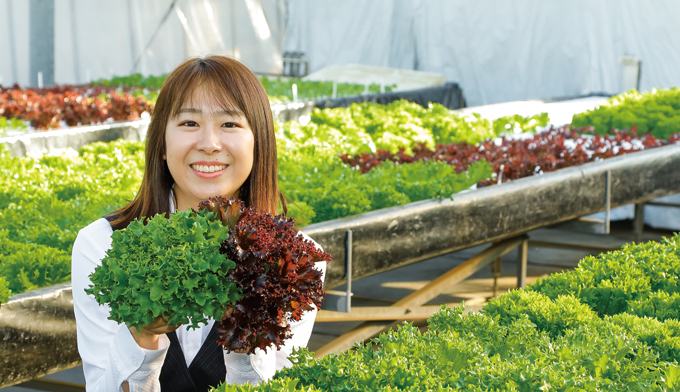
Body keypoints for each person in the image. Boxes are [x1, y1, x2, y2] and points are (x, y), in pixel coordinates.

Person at [71, 56, 327, 392]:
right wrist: (142, 337)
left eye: (230, 124)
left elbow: (274, 385)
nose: (209, 143)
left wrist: (246, 348)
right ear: (161, 145)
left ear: (258, 144)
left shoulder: (292, 263)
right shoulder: (101, 245)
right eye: (189, 123)